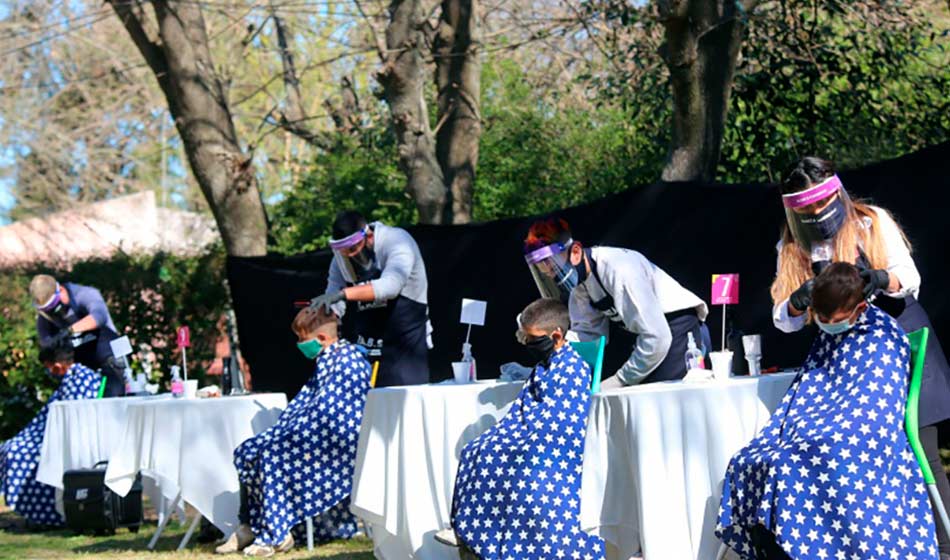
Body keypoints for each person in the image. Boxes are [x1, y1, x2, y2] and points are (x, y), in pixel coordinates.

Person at [771, 156, 950, 557]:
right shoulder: (793, 244)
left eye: (820, 206)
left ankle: (945, 547)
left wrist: (881, 278)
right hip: (849, 366)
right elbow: (782, 319)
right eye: (806, 211)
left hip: (896, 347)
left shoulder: (872, 222)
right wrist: (797, 305)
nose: (816, 216)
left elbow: (911, 280)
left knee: (921, 451)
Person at [718, 263, 939, 560]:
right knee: (746, 461)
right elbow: (810, 394)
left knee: (789, 465)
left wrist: (819, 434)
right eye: (820, 318)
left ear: (860, 307)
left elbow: (874, 411)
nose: (826, 324)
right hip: (818, 430)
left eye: (832, 319)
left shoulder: (883, 335)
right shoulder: (829, 336)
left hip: (860, 438)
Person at [439, 298, 605, 560]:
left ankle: (490, 535)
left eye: (533, 339)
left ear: (557, 336)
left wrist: (517, 440)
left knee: (498, 456)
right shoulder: (545, 365)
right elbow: (527, 408)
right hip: (529, 431)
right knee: (475, 450)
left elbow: (561, 420)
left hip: (552, 444)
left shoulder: (572, 369)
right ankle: (472, 527)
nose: (528, 345)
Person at [217, 305, 372, 556]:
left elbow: (334, 415)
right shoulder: (327, 359)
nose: (299, 344)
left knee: (271, 455)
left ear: (322, 338)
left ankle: (276, 534)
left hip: (336, 446)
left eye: (302, 338)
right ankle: (249, 524)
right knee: (248, 450)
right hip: (313, 435)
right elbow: (310, 404)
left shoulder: (348, 361)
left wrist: (292, 433)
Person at [522, 217, 710, 387]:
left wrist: (620, 380)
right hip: (648, 335)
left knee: (663, 397)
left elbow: (657, 337)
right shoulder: (580, 285)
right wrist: (548, 346)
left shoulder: (619, 270)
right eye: (543, 269)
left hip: (677, 327)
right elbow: (588, 336)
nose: (550, 273)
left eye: (551, 264)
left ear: (576, 252)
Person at [309, 210, 431, 387]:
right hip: (366, 347)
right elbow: (332, 302)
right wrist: (317, 326)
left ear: (369, 235)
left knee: (403, 404)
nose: (350, 256)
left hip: (405, 343)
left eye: (353, 249)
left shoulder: (397, 240)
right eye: (344, 253)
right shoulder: (339, 260)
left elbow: (391, 286)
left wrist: (344, 294)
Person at [0, 340, 101, 527]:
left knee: (16, 452)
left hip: (64, 440)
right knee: (9, 447)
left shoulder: (80, 379)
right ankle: (36, 515)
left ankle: (45, 516)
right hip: (50, 435)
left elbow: (72, 420)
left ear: (56, 366)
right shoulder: (73, 377)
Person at [29, 275, 125, 397]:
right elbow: (46, 343)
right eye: (46, 309)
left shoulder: (85, 294)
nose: (51, 312)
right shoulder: (45, 317)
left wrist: (69, 331)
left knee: (113, 394)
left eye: (52, 305)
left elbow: (99, 317)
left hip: (113, 350)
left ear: (61, 290)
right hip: (84, 361)